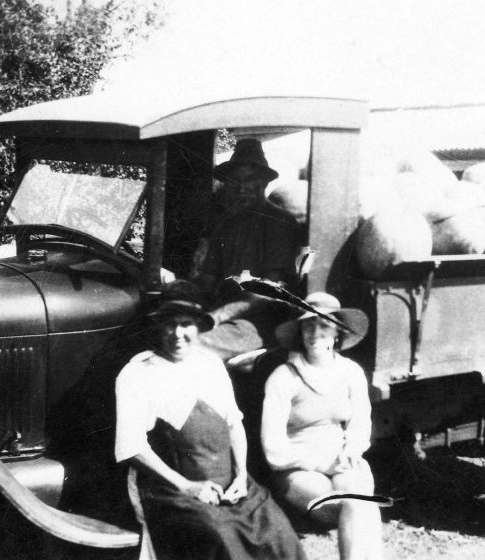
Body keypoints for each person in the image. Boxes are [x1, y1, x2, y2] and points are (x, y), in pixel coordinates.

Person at [114, 280, 307, 560]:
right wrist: (187, 486)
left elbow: (234, 424)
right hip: (174, 492)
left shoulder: (210, 364)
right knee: (221, 536)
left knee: (278, 534)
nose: (178, 334)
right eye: (170, 323)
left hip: (233, 488)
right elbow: (132, 447)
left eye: (186, 324)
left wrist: (241, 474)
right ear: (159, 326)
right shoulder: (138, 373)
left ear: (198, 327)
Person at [260, 292, 384, 560]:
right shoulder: (283, 378)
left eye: (324, 325)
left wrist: (353, 448)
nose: (315, 333)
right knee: (349, 505)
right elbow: (273, 449)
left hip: (341, 460)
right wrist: (319, 463)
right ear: (300, 332)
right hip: (296, 468)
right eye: (308, 325)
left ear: (337, 332)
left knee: (359, 501)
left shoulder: (351, 372)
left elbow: (361, 421)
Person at [194, 138, 306, 363]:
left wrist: (219, 315)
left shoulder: (279, 222)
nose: (242, 188)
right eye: (235, 181)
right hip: (220, 314)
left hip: (260, 322)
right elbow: (207, 279)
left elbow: (269, 290)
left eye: (250, 180)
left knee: (191, 349)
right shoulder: (224, 224)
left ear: (264, 183)